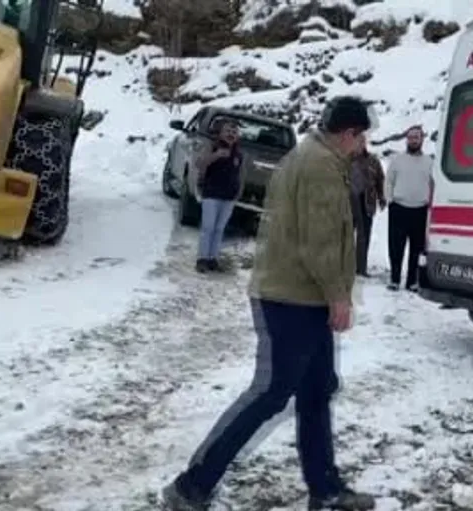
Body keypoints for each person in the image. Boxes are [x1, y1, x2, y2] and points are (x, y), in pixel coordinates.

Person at [162, 96, 376, 511]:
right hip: (292, 299)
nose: (363, 143)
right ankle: (191, 486)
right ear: (349, 133)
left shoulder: (313, 155)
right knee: (271, 393)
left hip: (303, 295)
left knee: (317, 390)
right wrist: (338, 295)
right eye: (361, 135)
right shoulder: (319, 166)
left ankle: (325, 489)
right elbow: (319, 242)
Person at [385, 125, 434, 292]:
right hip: (399, 208)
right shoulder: (397, 160)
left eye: (416, 137)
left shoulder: (429, 162)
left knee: (417, 248)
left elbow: (432, 184)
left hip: (420, 210)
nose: (413, 140)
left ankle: (412, 281)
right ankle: (394, 279)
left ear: (422, 140)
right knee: (395, 247)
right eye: (410, 137)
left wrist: (430, 203)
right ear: (406, 140)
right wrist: (390, 200)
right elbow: (389, 181)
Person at [195, 118, 245, 273]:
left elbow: (240, 174)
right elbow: (199, 164)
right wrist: (216, 156)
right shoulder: (212, 147)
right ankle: (202, 259)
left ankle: (213, 259)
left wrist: (239, 191)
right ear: (221, 133)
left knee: (219, 229)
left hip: (228, 196)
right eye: (228, 131)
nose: (231, 134)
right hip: (211, 194)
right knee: (208, 227)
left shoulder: (238, 154)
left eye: (234, 132)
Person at [350, 146, 386, 277]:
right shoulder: (345, 159)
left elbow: (380, 179)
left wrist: (381, 197)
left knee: (364, 235)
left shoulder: (373, 161)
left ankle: (361, 267)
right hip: (348, 203)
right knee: (345, 237)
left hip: (367, 202)